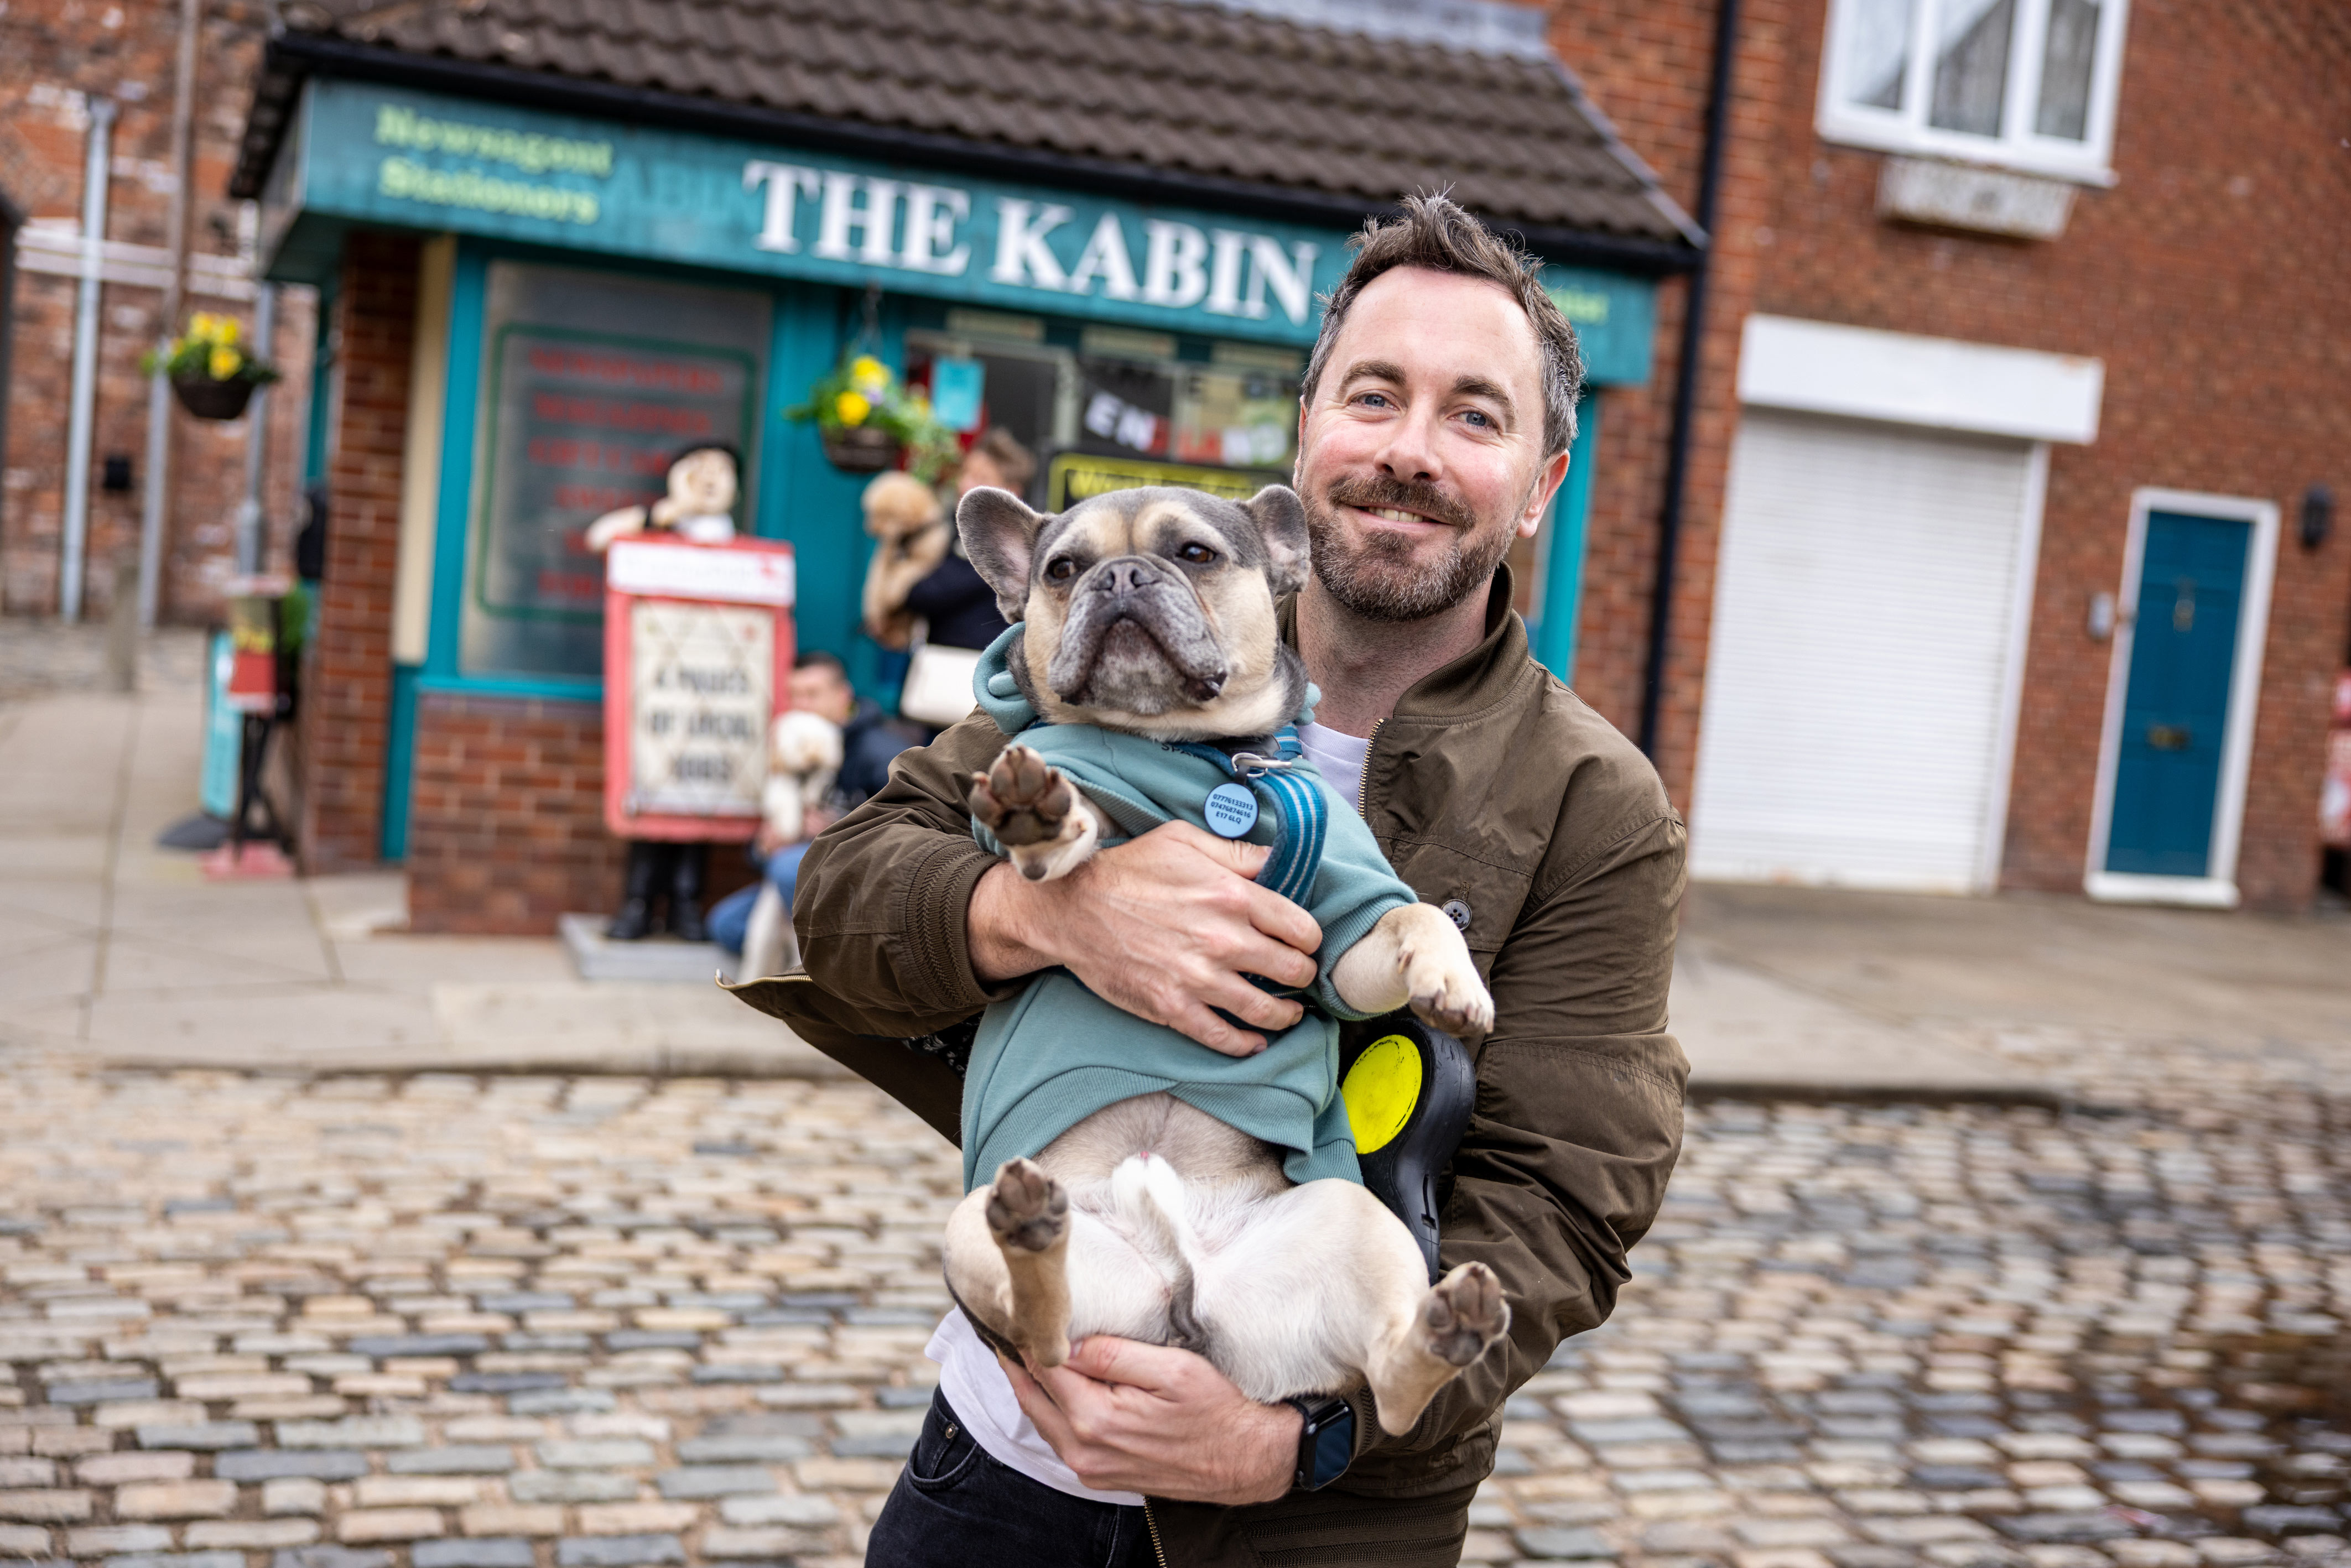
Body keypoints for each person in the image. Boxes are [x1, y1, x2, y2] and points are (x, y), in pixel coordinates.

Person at [741, 195, 1688, 1566]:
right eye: (1375, 395)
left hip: (1323, 1522)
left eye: (1475, 416)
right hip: (1004, 1469)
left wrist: (1304, 1440)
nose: (1410, 450)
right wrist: (1036, 909)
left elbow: (1566, 1203)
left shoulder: (1596, 804)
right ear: (1305, 440)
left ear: (1541, 482)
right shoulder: (1061, 694)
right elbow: (844, 902)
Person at [706, 652, 919, 956]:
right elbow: (769, 845)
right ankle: (819, 957)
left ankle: (837, 962)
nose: (802, 705)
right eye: (795, 695)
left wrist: (837, 831)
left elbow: (913, 834)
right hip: (806, 875)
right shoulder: (796, 743)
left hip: (862, 883)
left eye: (812, 694)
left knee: (786, 867)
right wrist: (764, 847)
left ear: (843, 696)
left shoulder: (881, 752)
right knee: (726, 924)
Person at [903, 428, 1036, 653]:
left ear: (1011, 492)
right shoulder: (955, 530)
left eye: (980, 478)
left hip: (973, 670)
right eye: (965, 473)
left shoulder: (1001, 543)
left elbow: (927, 595)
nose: (964, 486)